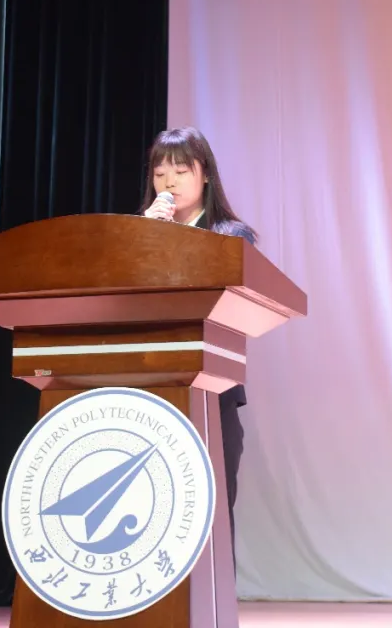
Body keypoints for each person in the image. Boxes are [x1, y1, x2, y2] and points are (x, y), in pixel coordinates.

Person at [139, 126, 256, 566]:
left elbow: (226, 299)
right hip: (150, 383)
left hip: (212, 391)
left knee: (211, 509)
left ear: (205, 174)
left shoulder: (232, 235)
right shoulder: (139, 234)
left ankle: (213, 600)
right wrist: (143, 239)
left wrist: (169, 240)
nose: (168, 181)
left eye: (180, 170)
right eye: (159, 173)